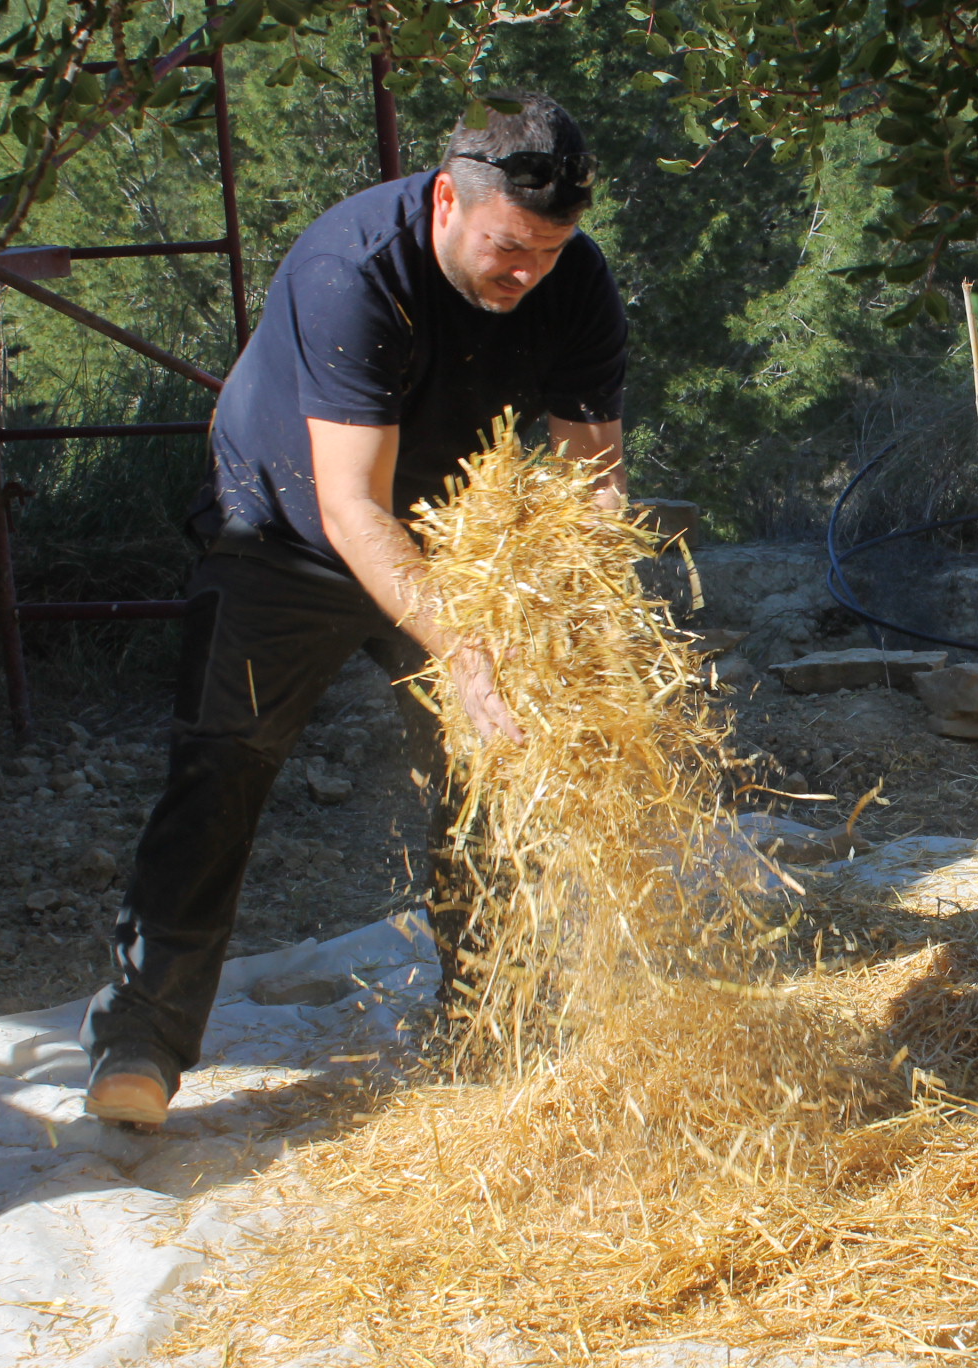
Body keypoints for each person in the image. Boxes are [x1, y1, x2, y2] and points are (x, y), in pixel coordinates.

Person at [80, 93, 628, 1130]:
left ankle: (488, 1012)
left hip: (453, 527)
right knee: (222, 760)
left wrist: (584, 622)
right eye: (511, 249)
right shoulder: (354, 273)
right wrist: (464, 648)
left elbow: (592, 485)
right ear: (444, 202)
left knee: (493, 758)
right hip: (286, 526)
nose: (531, 275)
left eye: (551, 253)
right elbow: (349, 506)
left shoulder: (576, 284)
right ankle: (141, 1042)